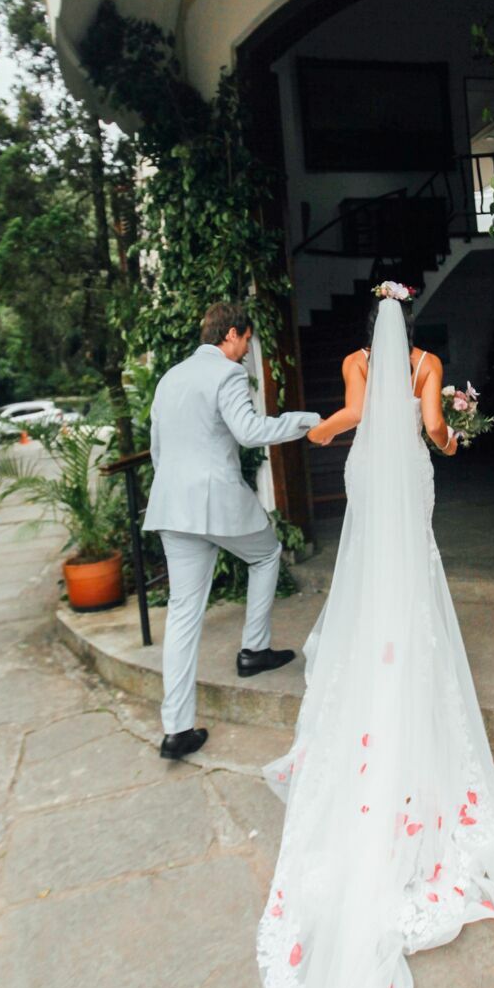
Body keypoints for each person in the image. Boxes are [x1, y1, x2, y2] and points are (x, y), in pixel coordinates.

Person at [230, 283, 494, 988]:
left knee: (367, 583)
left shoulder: (357, 368)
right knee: (412, 584)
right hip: (407, 482)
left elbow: (344, 426)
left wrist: (314, 431)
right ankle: (412, 704)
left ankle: (372, 689)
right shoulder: (431, 370)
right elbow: (433, 439)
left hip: (368, 482)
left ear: (370, 331)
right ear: (417, 334)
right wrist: (453, 426)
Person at [143, 300, 322, 760]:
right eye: (246, 339)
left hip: (172, 506)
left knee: (183, 614)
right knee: (265, 554)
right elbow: (247, 430)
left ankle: (177, 730)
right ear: (231, 335)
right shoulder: (226, 373)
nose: (247, 349)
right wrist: (306, 423)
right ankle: (253, 650)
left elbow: (158, 451)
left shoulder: (169, 378)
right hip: (215, 501)